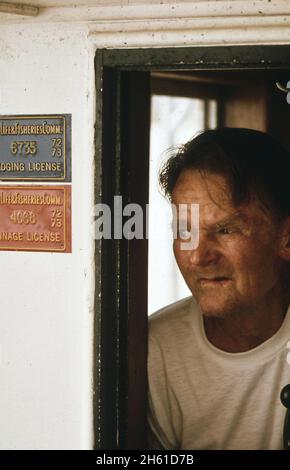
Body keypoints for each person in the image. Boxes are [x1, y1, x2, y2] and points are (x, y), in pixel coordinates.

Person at [147, 128, 290, 450]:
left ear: (286, 238)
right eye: (184, 231)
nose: (197, 256)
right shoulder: (155, 350)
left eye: (225, 229)